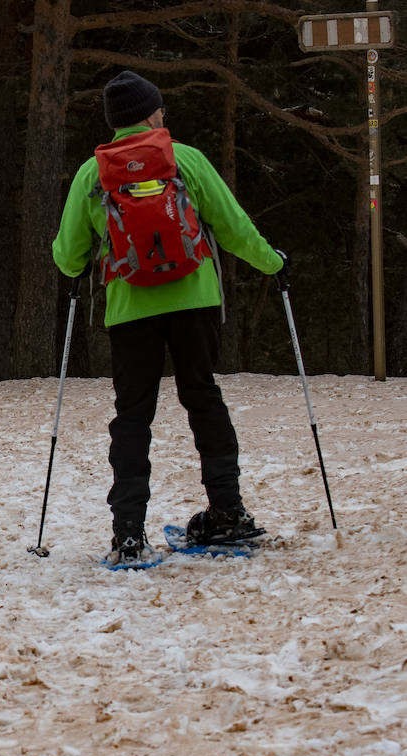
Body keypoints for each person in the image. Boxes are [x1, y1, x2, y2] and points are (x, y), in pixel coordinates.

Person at [51, 70, 285, 565]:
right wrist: (274, 263)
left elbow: (69, 256)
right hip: (194, 301)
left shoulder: (92, 175)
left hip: (130, 307)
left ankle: (129, 534)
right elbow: (234, 228)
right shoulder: (187, 161)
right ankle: (228, 513)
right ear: (153, 113)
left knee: (133, 414)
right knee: (203, 397)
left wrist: (76, 260)